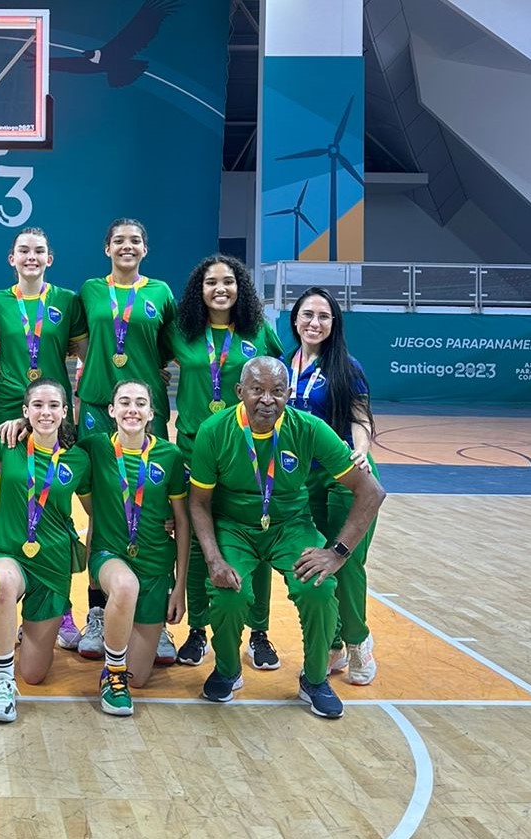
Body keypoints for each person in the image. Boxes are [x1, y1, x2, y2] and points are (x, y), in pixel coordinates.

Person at [188, 357, 385, 719]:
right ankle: (228, 670)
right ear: (239, 392)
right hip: (234, 526)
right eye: (257, 390)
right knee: (229, 593)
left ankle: (314, 680)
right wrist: (214, 558)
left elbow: (371, 491)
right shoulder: (214, 430)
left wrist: (337, 553)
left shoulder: (309, 428)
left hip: (290, 524)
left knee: (319, 588)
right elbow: (198, 502)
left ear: (288, 394)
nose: (267, 399)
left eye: (277, 391)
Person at [167, 255, 285, 673]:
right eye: (211, 282)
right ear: (198, 290)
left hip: (246, 448)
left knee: (257, 537)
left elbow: (280, 376)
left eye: (229, 281)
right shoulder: (182, 332)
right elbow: (151, 361)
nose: (220, 289)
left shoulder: (258, 332)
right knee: (199, 542)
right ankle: (198, 630)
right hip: (193, 446)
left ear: (241, 288)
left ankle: (258, 633)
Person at [72, 218, 177, 660]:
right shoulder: (90, 291)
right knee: (105, 514)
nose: (127, 246)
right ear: (106, 247)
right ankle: (98, 611)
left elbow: (170, 350)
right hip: (98, 408)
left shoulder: (161, 293)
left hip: (143, 412)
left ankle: (152, 617)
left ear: (145, 249)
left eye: (135, 240)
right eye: (119, 240)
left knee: (151, 511)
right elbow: (76, 346)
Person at [0, 379, 91, 724]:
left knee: (35, 673)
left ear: (64, 411)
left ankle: (18, 631)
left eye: (54, 405)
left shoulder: (79, 460)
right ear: (25, 412)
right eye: (38, 405)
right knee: (0, 582)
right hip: (8, 552)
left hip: (53, 565)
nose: (46, 412)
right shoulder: (6, 442)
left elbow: (98, 511)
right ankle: (0, 682)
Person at [79, 380, 189, 716]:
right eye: (124, 402)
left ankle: (122, 649)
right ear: (111, 411)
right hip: (109, 555)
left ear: (152, 413)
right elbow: (48, 439)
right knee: (125, 585)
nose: (132, 410)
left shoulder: (169, 455)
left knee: (139, 677)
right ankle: (113, 675)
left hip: (156, 566)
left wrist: (179, 587)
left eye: (140, 403)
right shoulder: (95, 447)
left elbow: (181, 522)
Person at [287, 287, 380, 685]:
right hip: (304, 476)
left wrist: (360, 452)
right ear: (295, 319)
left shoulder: (347, 366)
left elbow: (361, 418)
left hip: (345, 471)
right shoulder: (281, 365)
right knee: (316, 557)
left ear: (334, 323)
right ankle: (334, 644)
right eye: (308, 314)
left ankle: (358, 641)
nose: (315, 322)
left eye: (323, 316)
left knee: (346, 559)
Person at [0, 228, 87, 432]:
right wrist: (1, 381)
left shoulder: (67, 300)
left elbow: (88, 355)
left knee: (54, 460)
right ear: (12, 258)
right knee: (2, 461)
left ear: (49, 259)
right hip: (9, 401)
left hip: (53, 401)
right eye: (24, 251)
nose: (31, 257)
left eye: (39, 251)